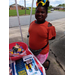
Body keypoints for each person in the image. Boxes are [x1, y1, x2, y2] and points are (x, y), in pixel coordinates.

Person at [28, 0, 56, 70]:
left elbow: (53, 37)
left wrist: (48, 33)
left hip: (42, 52)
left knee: (38, 65)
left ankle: (46, 64)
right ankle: (44, 63)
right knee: (35, 62)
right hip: (32, 50)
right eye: (37, 12)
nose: (39, 14)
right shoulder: (32, 23)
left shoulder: (49, 26)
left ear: (46, 14)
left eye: (42, 12)